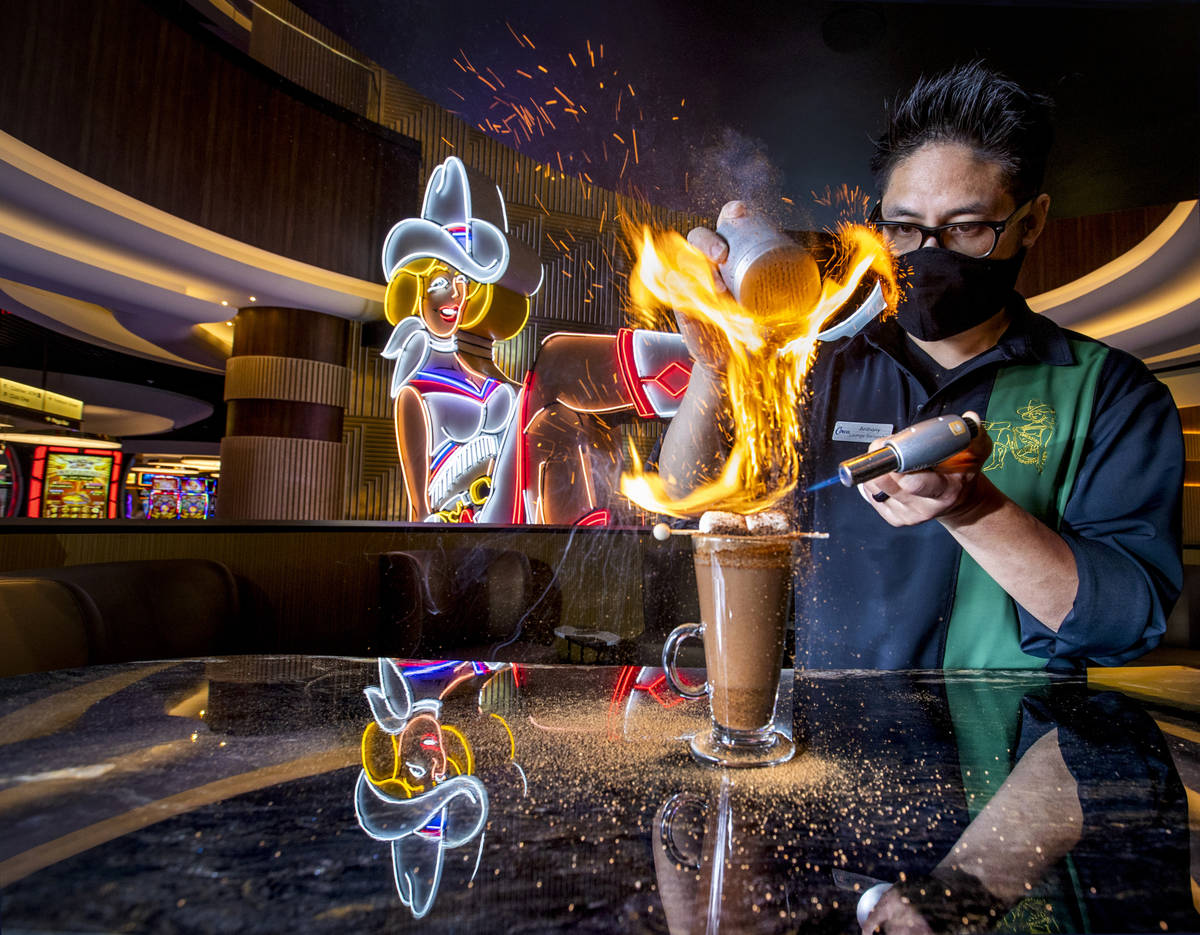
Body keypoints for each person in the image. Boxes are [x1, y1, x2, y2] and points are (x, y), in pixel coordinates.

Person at [670, 62, 1183, 669]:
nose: (928, 254)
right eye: (904, 227)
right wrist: (716, 367)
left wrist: (975, 508)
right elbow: (689, 496)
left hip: (1009, 743)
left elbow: (1124, 623)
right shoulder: (815, 362)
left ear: (1033, 221)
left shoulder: (1109, 393)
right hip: (822, 740)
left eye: (967, 229)